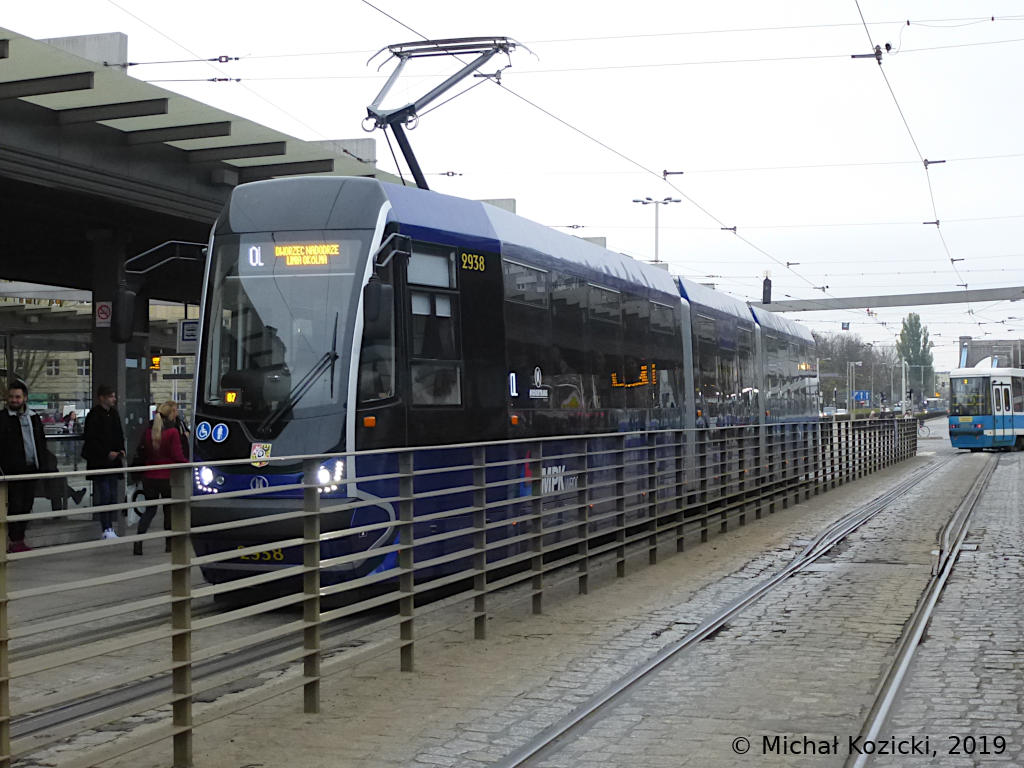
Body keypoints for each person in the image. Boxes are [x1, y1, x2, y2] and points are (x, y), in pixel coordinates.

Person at [0, 380, 47, 552]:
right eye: (11, 397)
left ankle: (19, 539)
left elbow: (41, 442)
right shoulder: (2, 418)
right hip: (12, 471)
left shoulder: (34, 417)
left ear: (25, 398)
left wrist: (43, 465)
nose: (14, 400)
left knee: (27, 505)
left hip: (31, 469)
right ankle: (14, 540)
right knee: (15, 505)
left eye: (18, 397)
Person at [135, 400, 187, 555]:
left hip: (149, 475)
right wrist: (189, 463)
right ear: (170, 414)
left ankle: (138, 543)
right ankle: (169, 545)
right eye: (175, 411)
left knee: (150, 510)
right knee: (168, 511)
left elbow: (143, 452)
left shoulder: (149, 431)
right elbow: (177, 455)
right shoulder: (172, 432)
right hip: (167, 476)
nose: (177, 414)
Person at [82, 384, 125, 539]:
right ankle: (106, 527)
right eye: (111, 396)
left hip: (113, 461)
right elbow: (92, 439)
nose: (114, 399)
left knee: (112, 495)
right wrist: (106, 453)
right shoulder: (94, 415)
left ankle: (109, 527)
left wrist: (120, 450)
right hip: (100, 462)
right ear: (102, 398)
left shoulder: (113, 414)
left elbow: (119, 434)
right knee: (105, 494)